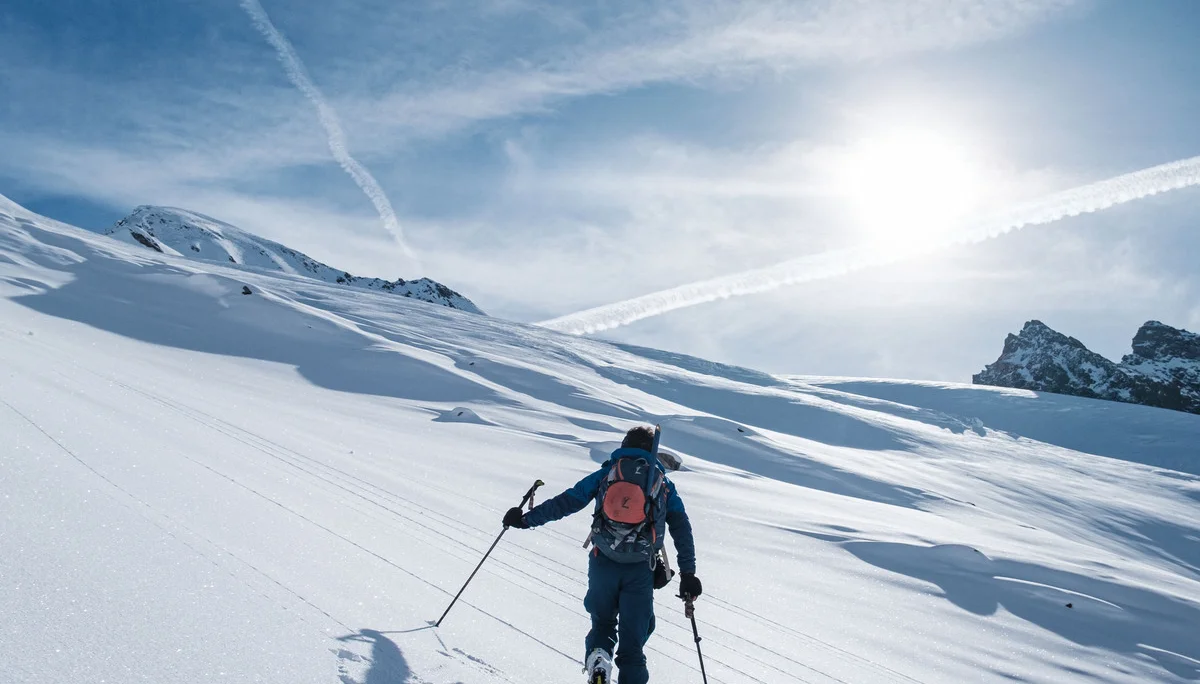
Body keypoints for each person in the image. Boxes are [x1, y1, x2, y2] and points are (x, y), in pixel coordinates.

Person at [503, 426, 701, 684]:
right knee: (633, 647)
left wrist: (526, 520)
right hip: (640, 569)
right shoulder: (663, 484)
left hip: (602, 562)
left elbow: (568, 501)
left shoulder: (607, 473)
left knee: (603, 624)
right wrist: (688, 573)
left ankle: (599, 660)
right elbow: (681, 527)